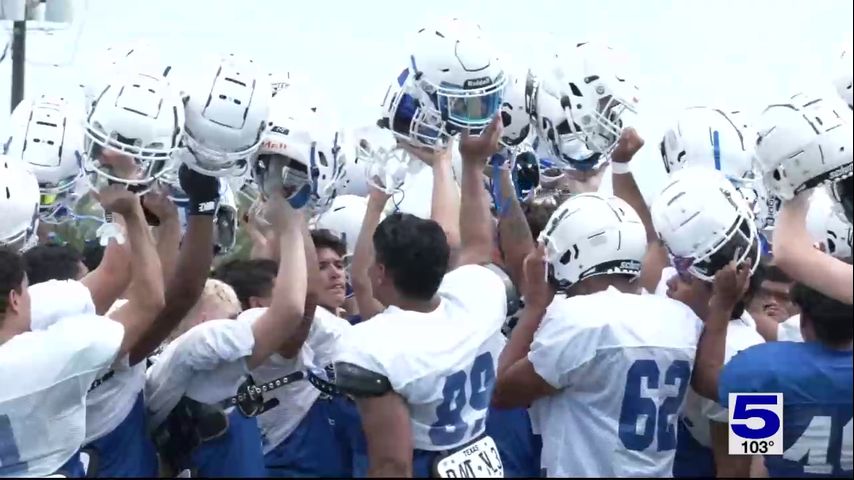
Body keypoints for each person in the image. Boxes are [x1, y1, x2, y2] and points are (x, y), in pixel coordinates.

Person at [0, 185, 165, 477]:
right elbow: (150, 301)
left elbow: (110, 276)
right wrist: (130, 211)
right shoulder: (54, 354)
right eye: (27, 292)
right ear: (14, 299)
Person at [694, 276, 853, 477]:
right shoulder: (767, 370)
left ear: (803, 320)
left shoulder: (765, 370)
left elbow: (705, 379)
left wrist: (723, 306)